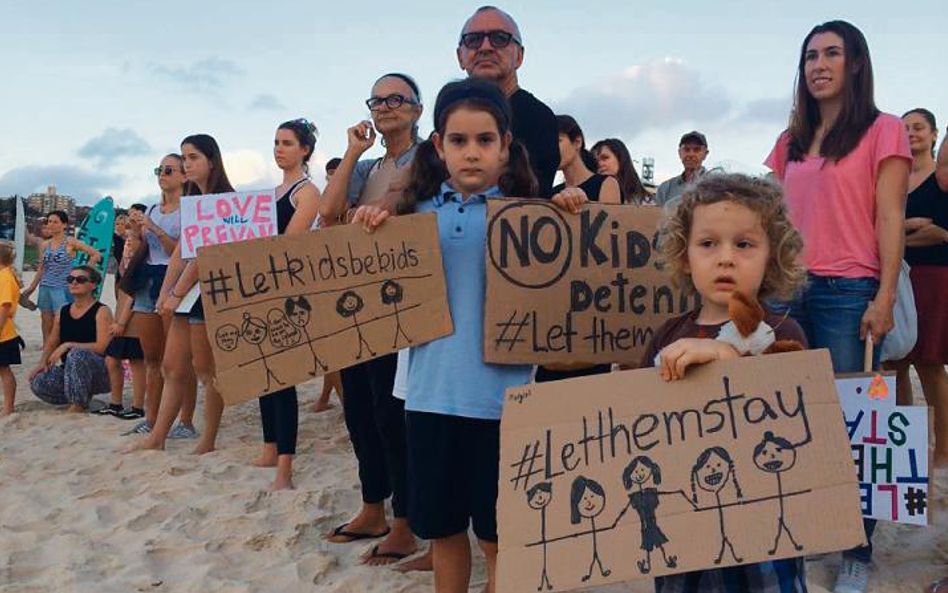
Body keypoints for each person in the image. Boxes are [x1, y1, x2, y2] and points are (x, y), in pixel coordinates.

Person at [354, 77, 586, 593]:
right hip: (429, 400)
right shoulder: (412, 216)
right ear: (438, 146)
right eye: (459, 141)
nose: (472, 152)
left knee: (500, 538)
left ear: (506, 146)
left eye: (485, 140)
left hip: (507, 405)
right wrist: (371, 224)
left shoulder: (532, 217)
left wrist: (570, 210)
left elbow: (570, 282)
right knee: (443, 533)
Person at [764, 20, 911, 593]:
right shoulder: (790, 141)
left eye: (831, 53)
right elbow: (769, 217)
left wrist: (885, 295)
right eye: (809, 57)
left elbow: (890, 217)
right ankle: (797, 535)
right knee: (785, 419)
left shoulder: (884, 129)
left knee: (856, 425)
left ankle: (856, 548)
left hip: (849, 290)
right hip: (784, 290)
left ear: (855, 63)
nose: (818, 64)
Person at [642, 173, 808, 591]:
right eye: (708, 243)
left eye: (745, 244)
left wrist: (728, 355)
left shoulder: (786, 333)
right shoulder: (666, 337)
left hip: (764, 531)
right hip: (685, 531)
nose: (726, 258)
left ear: (773, 257)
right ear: (683, 256)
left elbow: (798, 419)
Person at [318, 73, 423, 565]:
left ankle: (404, 522)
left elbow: (409, 203)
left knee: (391, 414)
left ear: (417, 110)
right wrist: (354, 153)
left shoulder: (428, 157)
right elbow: (330, 212)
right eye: (377, 100)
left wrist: (383, 206)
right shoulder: (369, 163)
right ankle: (371, 508)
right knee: (359, 409)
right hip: (356, 303)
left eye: (396, 99)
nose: (385, 107)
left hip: (403, 302)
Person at [130, 135, 234, 455]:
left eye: (193, 157)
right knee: (172, 366)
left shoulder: (222, 200)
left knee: (207, 370)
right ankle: (157, 437)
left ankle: (208, 439)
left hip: (211, 291)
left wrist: (175, 292)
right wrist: (166, 293)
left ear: (211, 162)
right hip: (186, 292)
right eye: (185, 158)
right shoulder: (193, 199)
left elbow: (204, 254)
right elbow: (181, 255)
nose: (187, 163)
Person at [253, 118, 321, 490]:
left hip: (289, 292)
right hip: (263, 288)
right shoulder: (271, 192)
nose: (279, 149)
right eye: (276, 142)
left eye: (287, 143)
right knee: (264, 374)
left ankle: (286, 465)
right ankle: (268, 447)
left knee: (283, 378)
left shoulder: (306, 192)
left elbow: (289, 242)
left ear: (304, 150)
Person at [534, 115, 619, 384]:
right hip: (556, 308)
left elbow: (612, 247)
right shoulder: (549, 193)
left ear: (577, 142)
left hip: (592, 307)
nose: (549, 147)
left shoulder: (605, 184)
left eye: (557, 140)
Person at [886, 108, 948, 468]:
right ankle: (906, 446)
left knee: (929, 363)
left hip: (934, 276)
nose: (911, 133)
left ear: (933, 133)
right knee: (896, 363)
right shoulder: (895, 178)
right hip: (899, 274)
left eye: (918, 127)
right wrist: (908, 226)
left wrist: (898, 237)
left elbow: (942, 233)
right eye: (905, 127)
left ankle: (942, 451)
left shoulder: (941, 179)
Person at [456, 5, 558, 198]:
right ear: (460, 56)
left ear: (519, 56)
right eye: (473, 40)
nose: (485, 47)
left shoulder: (539, 119)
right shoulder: (447, 119)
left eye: (499, 39)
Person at [29, 266, 113, 412]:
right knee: (38, 381)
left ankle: (78, 405)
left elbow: (103, 346)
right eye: (70, 279)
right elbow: (52, 341)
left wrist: (68, 345)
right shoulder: (63, 311)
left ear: (93, 285)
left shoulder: (102, 311)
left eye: (80, 280)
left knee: (76, 353)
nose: (74, 283)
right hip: (71, 370)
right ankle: (80, 397)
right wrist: (42, 362)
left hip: (100, 372)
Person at [21, 210, 102, 344]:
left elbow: (95, 254)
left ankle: (61, 347)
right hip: (45, 287)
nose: (51, 225)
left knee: (61, 320)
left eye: (55, 222)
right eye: (49, 222)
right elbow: (42, 268)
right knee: (45, 319)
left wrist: (84, 272)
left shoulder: (70, 242)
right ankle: (47, 349)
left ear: (64, 225)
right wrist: (31, 288)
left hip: (62, 287)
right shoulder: (44, 245)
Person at [96, 208, 147, 420]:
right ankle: (116, 404)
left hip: (133, 318)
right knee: (112, 359)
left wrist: (121, 322)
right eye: (125, 241)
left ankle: (137, 407)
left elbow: (134, 295)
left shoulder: (141, 265)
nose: (126, 244)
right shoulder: (125, 265)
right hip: (123, 316)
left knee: (136, 362)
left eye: (130, 242)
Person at [655, 131, 710, 209]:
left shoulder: (716, 187)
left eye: (697, 149)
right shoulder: (665, 189)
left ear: (705, 154)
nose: (691, 154)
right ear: (680, 153)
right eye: (686, 149)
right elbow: (657, 218)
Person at [591, 138, 649, 204]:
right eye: (595, 161)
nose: (600, 164)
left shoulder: (646, 202)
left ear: (621, 159)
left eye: (605, 158)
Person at [0, 242, 22, 416]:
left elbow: (5, 307)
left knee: (4, 370)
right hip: (4, 332)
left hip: (4, 333)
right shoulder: (4, 274)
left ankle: (8, 407)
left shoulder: (5, 277)